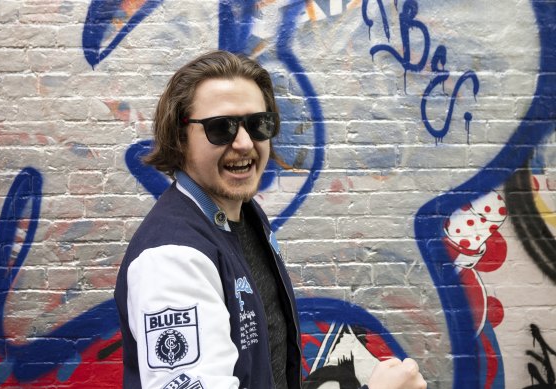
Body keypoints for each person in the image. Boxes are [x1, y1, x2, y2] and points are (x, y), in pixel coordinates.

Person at [114, 50, 427, 389]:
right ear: (179, 137)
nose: (245, 142)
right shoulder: (172, 260)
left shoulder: (244, 216)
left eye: (258, 124)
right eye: (222, 128)